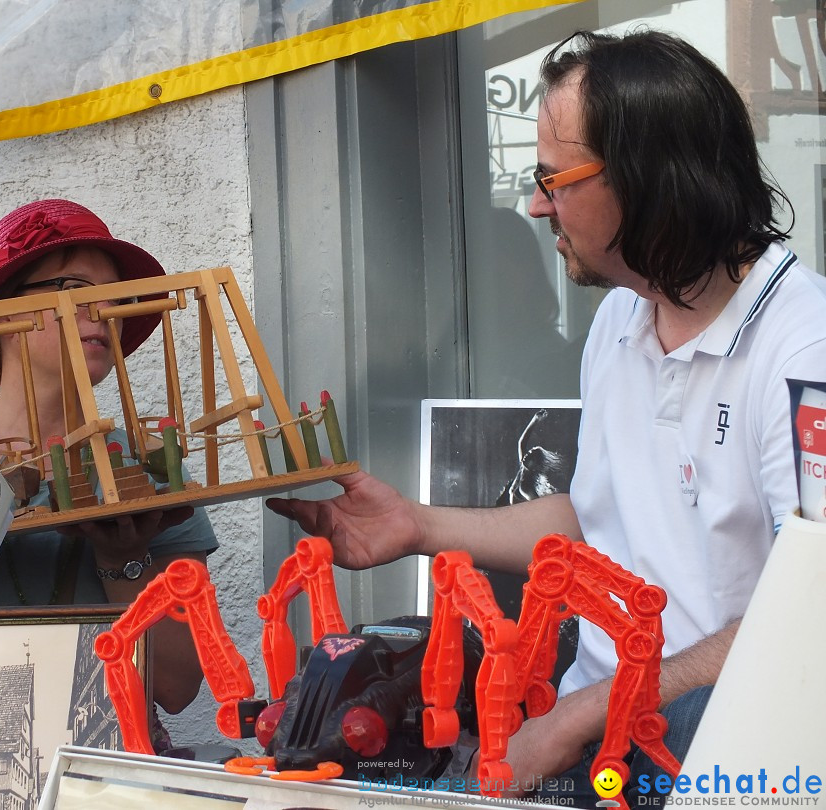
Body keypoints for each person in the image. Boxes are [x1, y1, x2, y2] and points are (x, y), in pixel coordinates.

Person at [268, 29, 826, 804]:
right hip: (606, 749)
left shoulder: (805, 349)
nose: (535, 205)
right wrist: (419, 527)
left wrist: (580, 714)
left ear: (653, 177)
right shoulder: (622, 317)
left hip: (736, 762)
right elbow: (602, 517)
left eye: (552, 178)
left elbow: (812, 615)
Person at [0, 198, 217, 724]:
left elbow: (177, 685)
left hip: (99, 765)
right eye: (74, 290)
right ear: (0, 314)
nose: (101, 312)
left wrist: (126, 562)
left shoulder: (149, 467)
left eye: (115, 297)